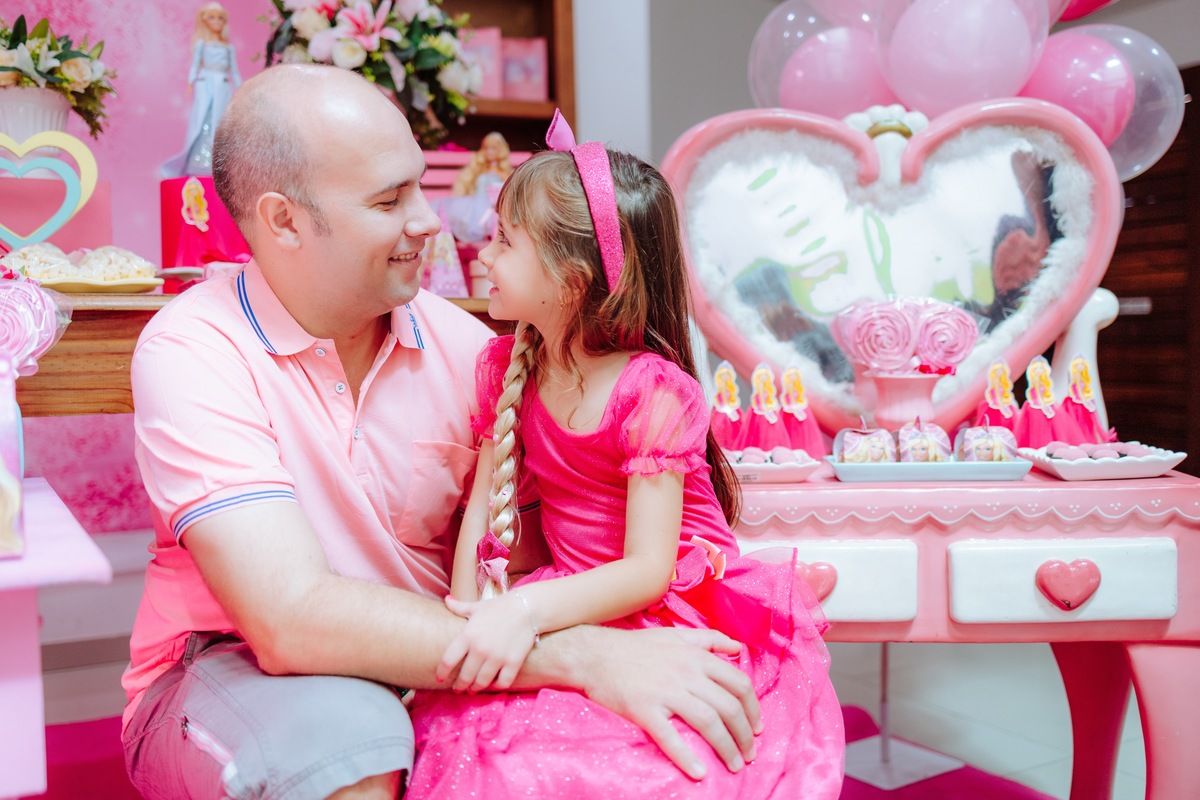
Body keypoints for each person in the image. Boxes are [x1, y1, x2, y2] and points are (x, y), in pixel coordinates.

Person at [122, 65, 766, 800]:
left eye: (419, 186)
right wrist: (582, 658)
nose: (429, 220)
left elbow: (534, 555)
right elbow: (289, 619)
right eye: (390, 199)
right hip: (234, 665)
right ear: (284, 221)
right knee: (350, 741)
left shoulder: (477, 355)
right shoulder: (195, 349)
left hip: (448, 656)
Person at [406, 111, 844, 798]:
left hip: (661, 604)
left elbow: (646, 569)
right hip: (567, 598)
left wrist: (519, 615)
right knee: (486, 746)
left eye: (503, 240)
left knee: (630, 766)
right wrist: (467, 611)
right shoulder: (504, 366)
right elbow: (482, 515)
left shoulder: (651, 392)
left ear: (571, 278)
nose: (481, 254)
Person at [161, 2, 242, 178]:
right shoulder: (202, 44)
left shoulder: (228, 47)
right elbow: (195, 65)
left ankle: (219, 161)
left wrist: (241, 88)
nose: (217, 22)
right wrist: (191, 82)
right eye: (212, 17)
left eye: (220, 18)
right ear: (205, 21)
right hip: (205, 84)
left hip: (222, 85)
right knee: (202, 120)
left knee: (220, 121)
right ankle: (199, 160)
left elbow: (234, 70)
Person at [451, 131, 514, 198]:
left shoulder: (506, 172)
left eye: (493, 148)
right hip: (478, 204)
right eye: (486, 148)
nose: (489, 152)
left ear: (501, 149)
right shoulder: (476, 169)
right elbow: (461, 188)